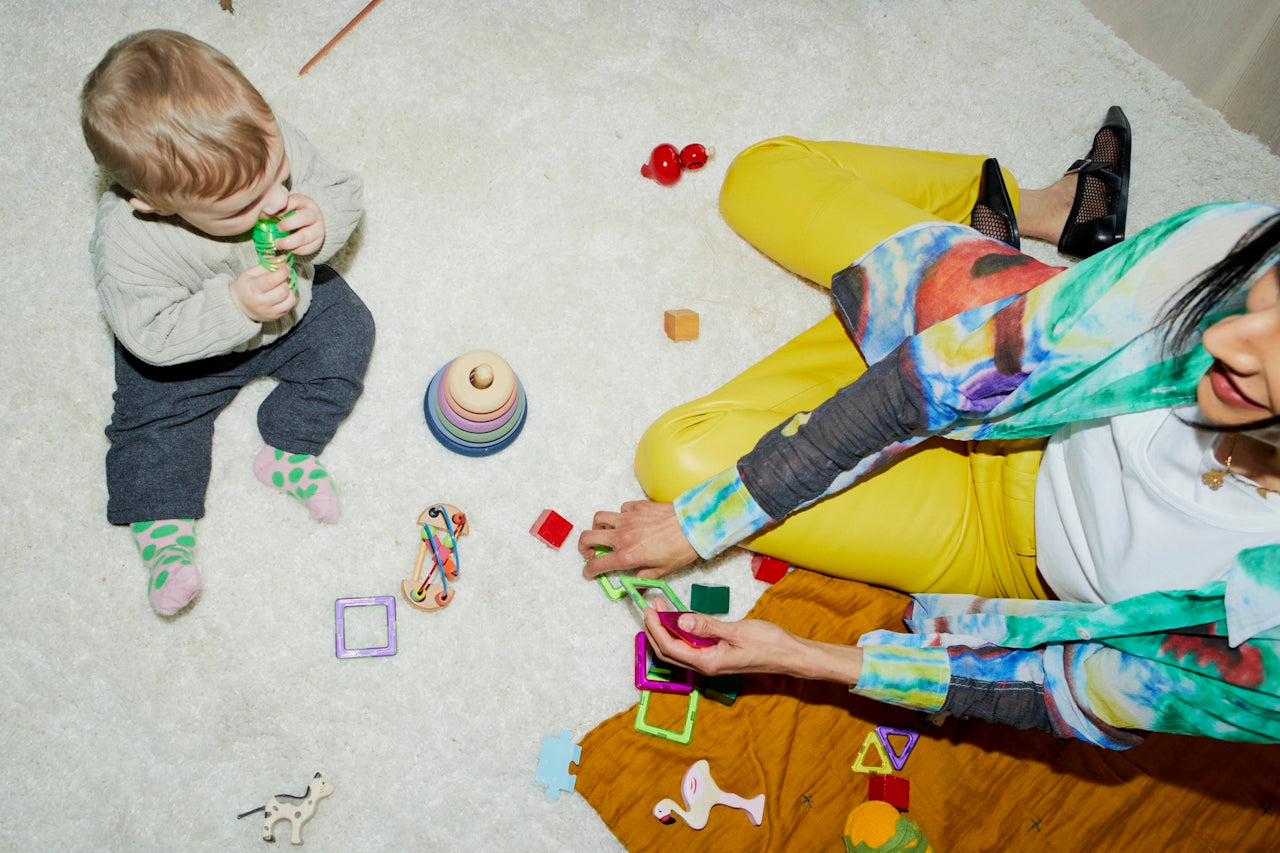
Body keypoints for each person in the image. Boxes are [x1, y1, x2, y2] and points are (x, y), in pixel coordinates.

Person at [580, 108, 1280, 747]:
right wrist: (706, 524)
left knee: (675, 456)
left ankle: (914, 293)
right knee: (761, 176)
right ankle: (1046, 209)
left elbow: (1069, 689)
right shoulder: (1236, 248)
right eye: (1266, 302)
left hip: (1002, 552)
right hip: (1010, 364)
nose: (1227, 340)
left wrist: (798, 655)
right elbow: (941, 380)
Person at [81, 30, 373, 615]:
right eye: (241, 206)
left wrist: (320, 219)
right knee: (152, 429)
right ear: (157, 202)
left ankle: (288, 449)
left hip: (292, 307)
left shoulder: (261, 142)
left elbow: (337, 187)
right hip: (187, 351)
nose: (271, 203)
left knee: (350, 332)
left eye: (279, 175)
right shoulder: (127, 241)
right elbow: (149, 334)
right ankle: (165, 536)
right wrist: (231, 307)